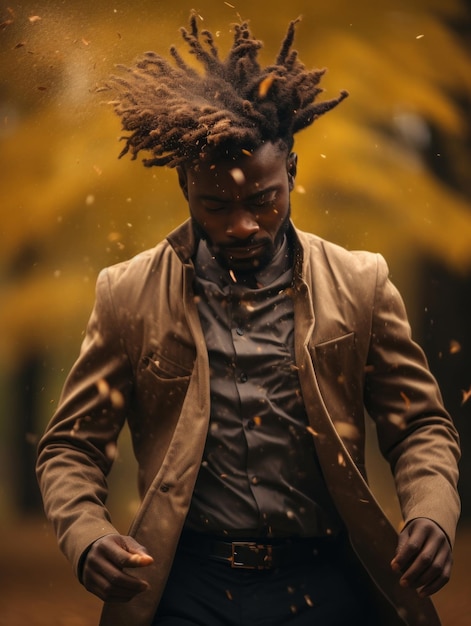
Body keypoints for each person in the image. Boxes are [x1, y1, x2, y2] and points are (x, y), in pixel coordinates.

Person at [36, 13, 460, 626]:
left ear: (290, 171)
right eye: (217, 205)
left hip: (332, 579)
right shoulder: (126, 294)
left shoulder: (361, 283)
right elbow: (71, 446)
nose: (242, 225)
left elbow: (420, 424)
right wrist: (87, 536)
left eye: (262, 201)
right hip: (183, 586)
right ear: (185, 185)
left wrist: (431, 513)